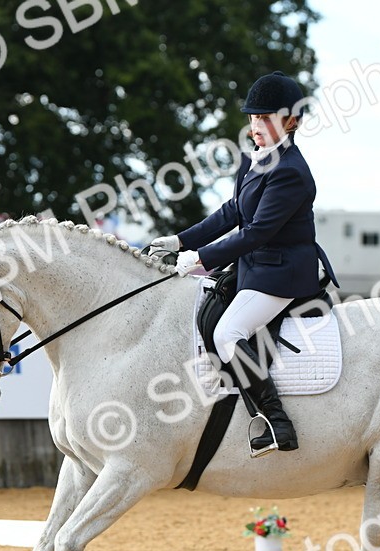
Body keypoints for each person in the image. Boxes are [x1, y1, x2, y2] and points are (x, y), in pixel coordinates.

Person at [149, 70, 338, 456]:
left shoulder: (292, 173)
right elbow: (233, 211)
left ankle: (274, 421)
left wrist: (199, 258)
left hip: (282, 273)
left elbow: (256, 233)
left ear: (291, 122)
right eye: (254, 119)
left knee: (227, 334)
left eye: (266, 119)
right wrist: (181, 239)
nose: (257, 127)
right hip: (255, 265)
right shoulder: (254, 160)